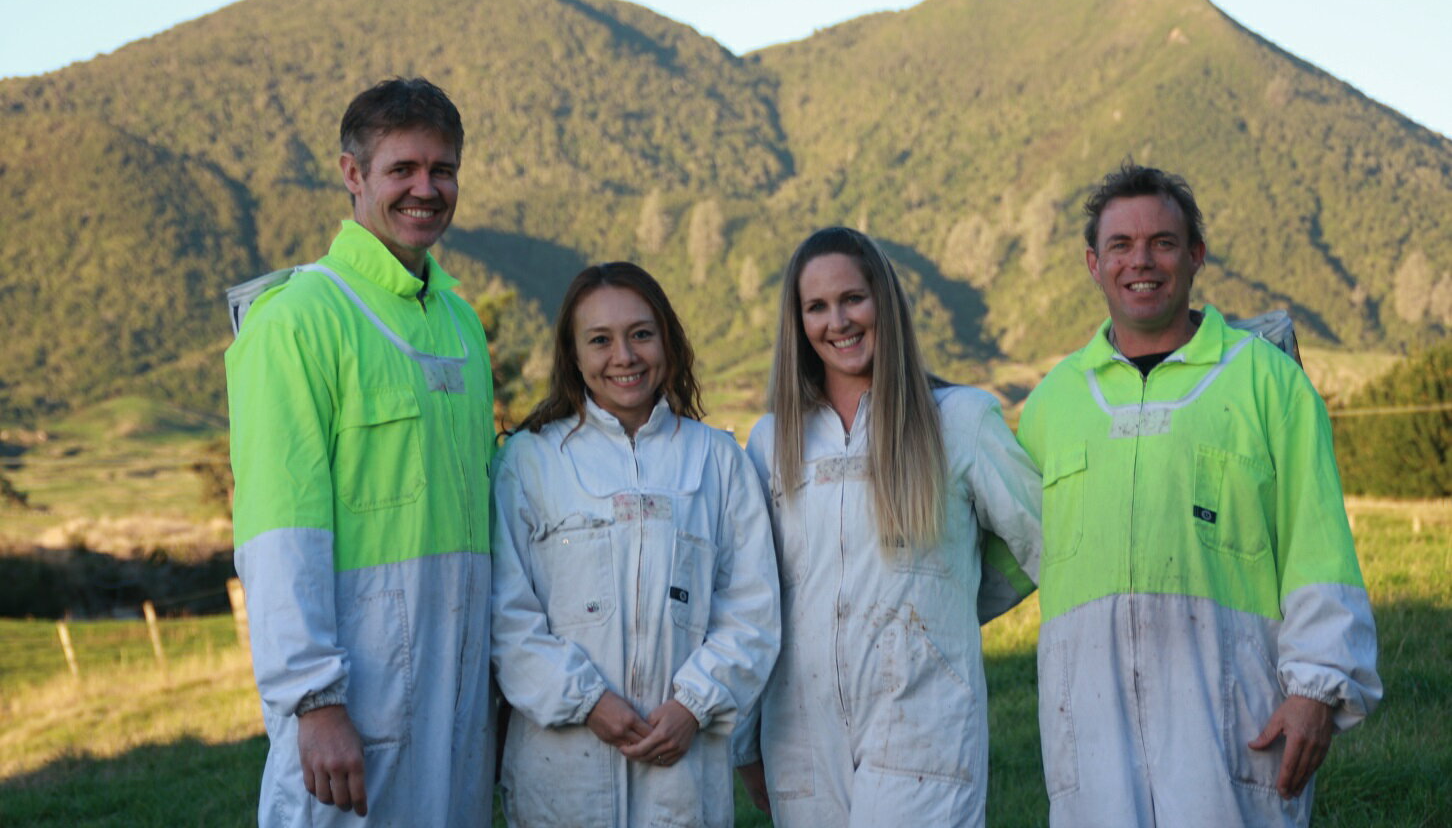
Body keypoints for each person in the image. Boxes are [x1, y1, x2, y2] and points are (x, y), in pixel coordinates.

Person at [1017, 163, 1382, 827]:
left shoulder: (1268, 383)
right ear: (1093, 265)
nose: (1142, 261)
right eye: (1121, 246)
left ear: (1196, 256)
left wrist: (1317, 689)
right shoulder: (1051, 404)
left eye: (1162, 241)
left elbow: (1318, 546)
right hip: (1090, 735)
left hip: (1231, 728)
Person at [227, 78, 496, 825]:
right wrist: (313, 702)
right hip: (354, 709)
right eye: (402, 169)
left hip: (461, 703)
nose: (425, 189)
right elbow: (278, 532)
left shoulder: (461, 322)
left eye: (442, 170)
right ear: (352, 174)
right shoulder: (299, 321)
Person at [738, 226, 1043, 827]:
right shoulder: (771, 444)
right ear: (797, 322)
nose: (838, 321)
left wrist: (953, 600)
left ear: (885, 300)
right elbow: (754, 598)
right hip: (799, 733)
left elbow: (1047, 544)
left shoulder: (960, 420)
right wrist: (745, 744)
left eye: (853, 298)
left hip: (925, 724)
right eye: (817, 307)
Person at [490, 262, 781, 827]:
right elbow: (506, 617)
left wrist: (693, 705)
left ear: (667, 342)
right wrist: (586, 701)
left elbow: (751, 607)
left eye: (641, 334)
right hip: (562, 774)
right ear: (573, 355)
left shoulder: (716, 461)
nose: (623, 356)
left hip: (683, 772)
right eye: (600, 340)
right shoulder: (529, 461)